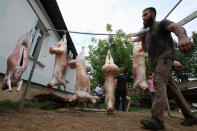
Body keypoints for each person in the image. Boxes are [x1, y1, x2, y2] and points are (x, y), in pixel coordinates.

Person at [131, 7, 196, 130]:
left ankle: (157, 119)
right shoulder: (147, 34)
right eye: (142, 16)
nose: (143, 18)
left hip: (165, 58)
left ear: (153, 14)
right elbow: (145, 48)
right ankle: (190, 116)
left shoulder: (162, 24)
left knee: (158, 82)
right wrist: (139, 46)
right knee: (173, 91)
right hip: (156, 64)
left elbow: (177, 27)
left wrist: (182, 37)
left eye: (145, 15)